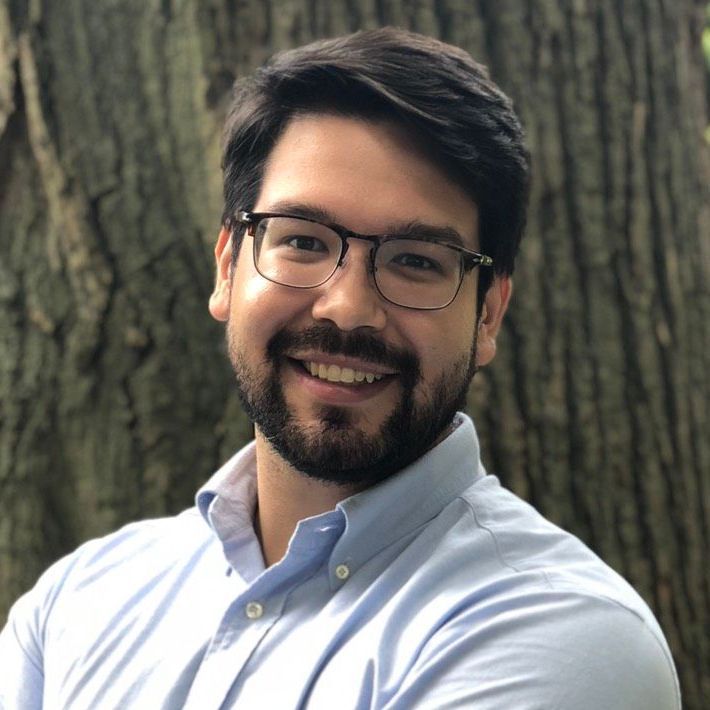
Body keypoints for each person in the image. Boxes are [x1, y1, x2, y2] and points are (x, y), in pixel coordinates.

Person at [0, 28, 680, 709]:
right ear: (229, 267)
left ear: (488, 315)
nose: (348, 308)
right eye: (301, 240)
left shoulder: (559, 638)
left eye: (416, 259)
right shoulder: (76, 604)